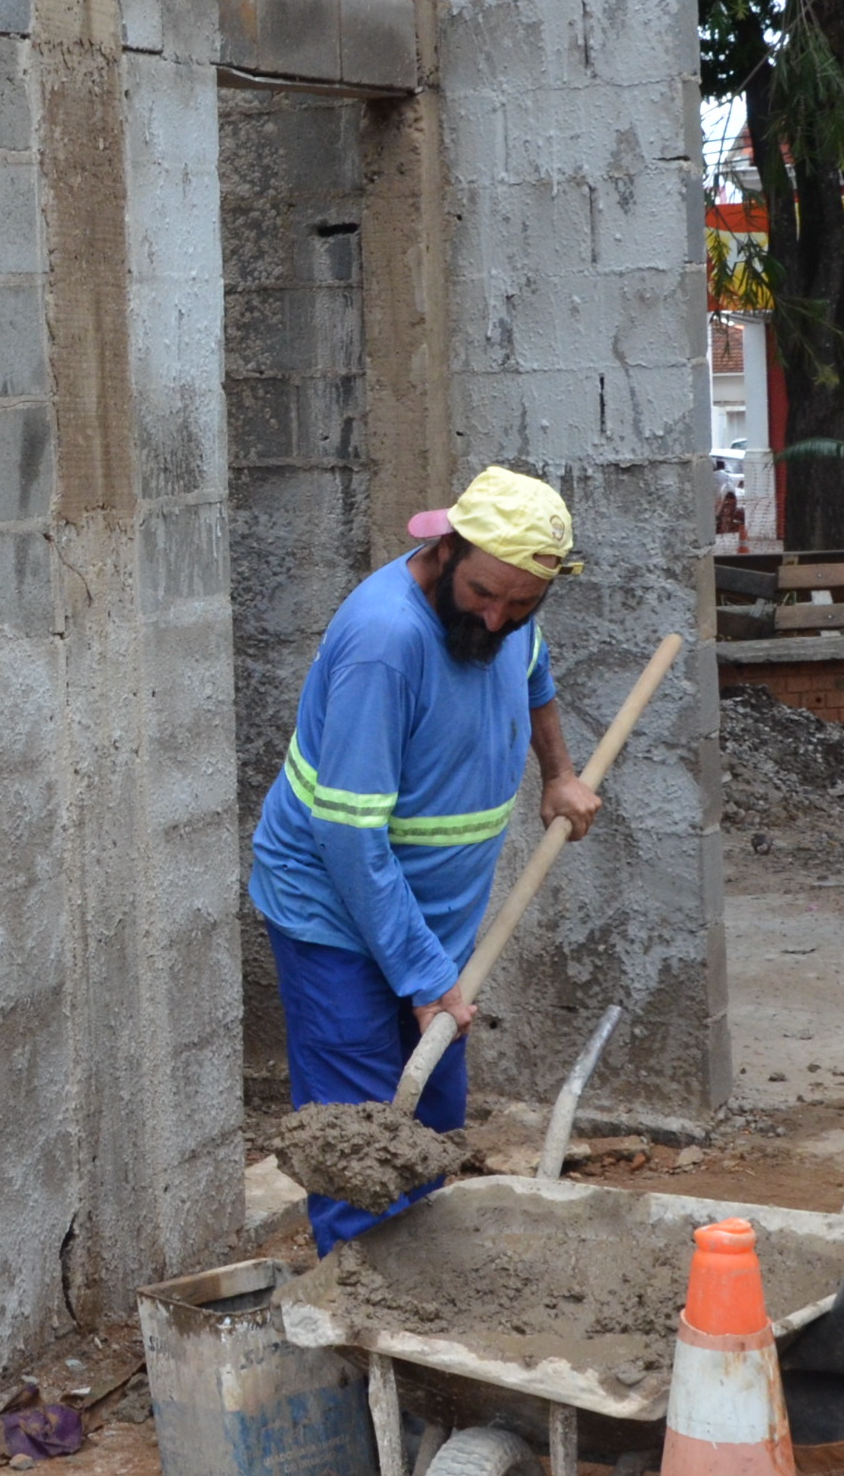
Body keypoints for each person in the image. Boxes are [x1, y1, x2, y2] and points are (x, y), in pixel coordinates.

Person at [249, 466, 601, 1249]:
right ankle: (366, 1323)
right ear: (444, 550)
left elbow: (534, 673)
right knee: (361, 1138)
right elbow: (347, 837)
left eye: (521, 602)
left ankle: (423, 1293)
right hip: (335, 910)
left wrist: (560, 774)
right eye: (483, 594)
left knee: (433, 1115)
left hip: (430, 919)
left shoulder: (509, 615)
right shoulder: (388, 641)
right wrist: (421, 975)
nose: (497, 616)